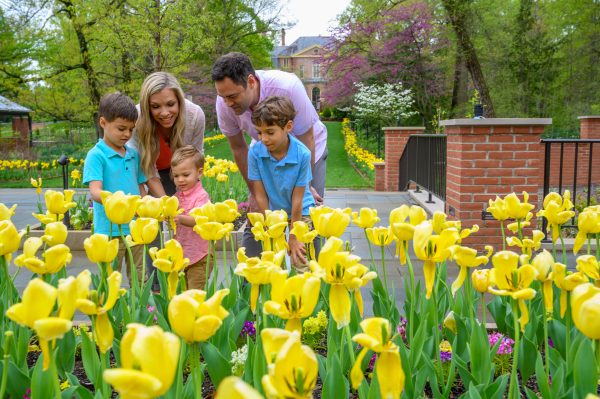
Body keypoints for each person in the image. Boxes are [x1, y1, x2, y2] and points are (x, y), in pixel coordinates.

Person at [212, 52, 328, 256]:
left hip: (307, 151)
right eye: (223, 97)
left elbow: (306, 138)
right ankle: (257, 276)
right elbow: (238, 148)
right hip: (265, 156)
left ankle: (311, 273)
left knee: (306, 220)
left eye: (232, 96)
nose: (227, 103)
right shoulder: (225, 104)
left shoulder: (288, 87)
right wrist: (256, 193)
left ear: (251, 82)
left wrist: (307, 185)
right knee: (258, 219)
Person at [83, 92, 146, 286]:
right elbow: (95, 191)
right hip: (108, 229)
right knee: (111, 278)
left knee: (141, 275)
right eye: (121, 128)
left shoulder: (134, 155)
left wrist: (145, 208)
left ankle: (140, 311)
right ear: (103, 122)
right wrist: (120, 203)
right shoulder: (96, 156)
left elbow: (141, 189)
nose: (127, 134)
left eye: (131, 129)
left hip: (135, 227)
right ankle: (111, 312)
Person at [248, 96, 316, 270]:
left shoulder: (302, 154)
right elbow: (260, 194)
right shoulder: (255, 152)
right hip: (273, 211)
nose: (264, 138)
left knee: (300, 261)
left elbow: (298, 199)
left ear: (288, 127)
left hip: (301, 212)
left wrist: (293, 237)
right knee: (274, 265)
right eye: (259, 132)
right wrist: (272, 223)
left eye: (270, 132)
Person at [130, 71, 206, 196]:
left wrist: (189, 198)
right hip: (143, 173)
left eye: (170, 104)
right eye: (155, 106)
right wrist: (166, 203)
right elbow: (145, 169)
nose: (165, 113)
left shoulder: (195, 115)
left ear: (179, 100)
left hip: (177, 172)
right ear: (147, 106)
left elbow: (195, 159)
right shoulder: (136, 119)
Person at [170, 145, 211, 290]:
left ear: (199, 173)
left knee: (195, 293)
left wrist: (180, 219)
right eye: (176, 176)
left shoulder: (201, 196)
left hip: (200, 256)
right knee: (182, 293)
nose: (180, 180)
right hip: (182, 255)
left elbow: (199, 220)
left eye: (185, 175)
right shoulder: (177, 196)